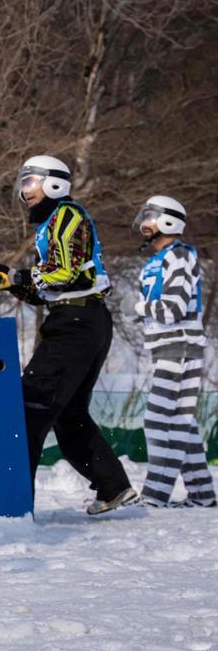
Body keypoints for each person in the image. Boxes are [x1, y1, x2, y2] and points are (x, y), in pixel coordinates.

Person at [0, 156, 136, 514]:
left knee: (29, 409)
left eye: (30, 182)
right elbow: (54, 285)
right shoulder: (50, 223)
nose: (24, 191)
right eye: (23, 183)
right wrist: (12, 283)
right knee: (69, 414)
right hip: (81, 320)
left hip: (76, 325)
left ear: (54, 184)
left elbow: (66, 272)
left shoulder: (66, 215)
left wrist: (21, 278)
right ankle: (113, 486)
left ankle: (15, 506)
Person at [130, 196, 214, 507]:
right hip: (167, 346)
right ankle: (203, 495)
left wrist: (140, 307)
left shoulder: (179, 255)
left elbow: (173, 308)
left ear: (169, 221)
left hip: (180, 346)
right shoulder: (158, 259)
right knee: (182, 423)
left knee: (157, 420)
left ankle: (155, 494)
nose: (144, 222)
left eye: (150, 216)